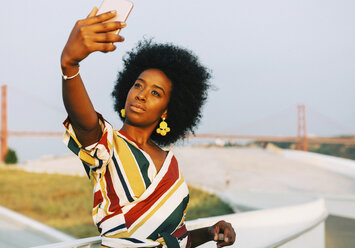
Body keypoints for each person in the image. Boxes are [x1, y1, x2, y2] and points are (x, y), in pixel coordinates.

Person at [61, 7, 236, 248]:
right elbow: (84, 121)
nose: (141, 95)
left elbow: (174, 241)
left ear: (166, 111)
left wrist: (208, 232)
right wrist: (70, 66)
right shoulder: (106, 144)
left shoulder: (170, 164)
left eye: (155, 92)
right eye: (138, 85)